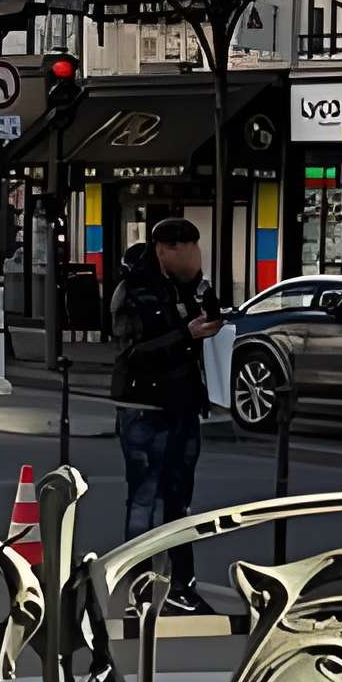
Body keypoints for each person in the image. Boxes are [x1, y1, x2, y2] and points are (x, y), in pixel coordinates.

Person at [109, 216, 223, 615]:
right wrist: (184, 335)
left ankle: (181, 586)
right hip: (144, 408)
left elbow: (212, 319)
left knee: (180, 500)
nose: (194, 254)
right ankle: (138, 588)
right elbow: (130, 352)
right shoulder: (133, 291)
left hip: (183, 404)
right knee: (145, 498)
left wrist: (203, 293)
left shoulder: (189, 288)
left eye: (196, 247)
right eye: (185, 248)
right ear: (163, 250)